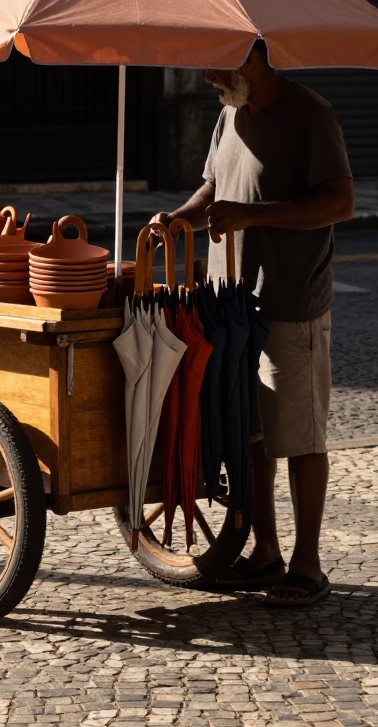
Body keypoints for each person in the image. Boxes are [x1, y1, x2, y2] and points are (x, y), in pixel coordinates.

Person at [154, 39, 354, 608]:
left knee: (300, 438)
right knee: (251, 436)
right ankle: (265, 552)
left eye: (215, 64)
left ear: (251, 57)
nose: (205, 77)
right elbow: (216, 190)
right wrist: (180, 219)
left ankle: (308, 564)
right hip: (233, 307)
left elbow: (340, 202)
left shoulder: (310, 114)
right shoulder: (228, 114)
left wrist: (253, 216)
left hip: (291, 304)